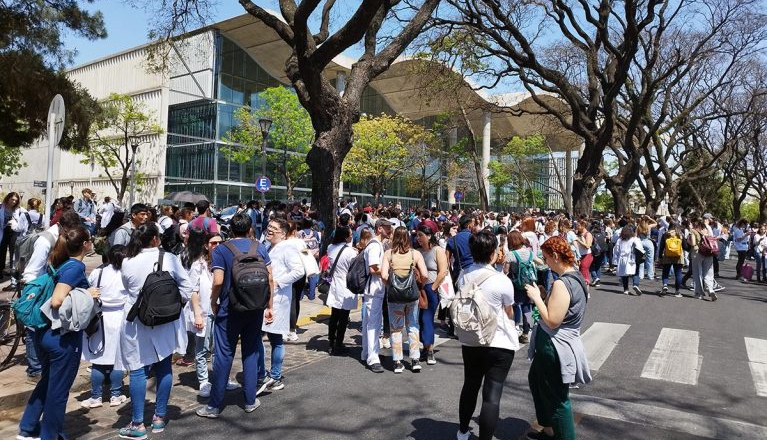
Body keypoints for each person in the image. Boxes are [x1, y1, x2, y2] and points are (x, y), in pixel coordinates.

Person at [18, 225, 99, 440]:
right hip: (62, 338)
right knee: (59, 391)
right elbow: (57, 300)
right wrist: (88, 294)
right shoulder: (74, 268)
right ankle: (50, 435)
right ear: (84, 244)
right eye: (90, 239)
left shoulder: (61, 264)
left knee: (48, 383)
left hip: (45, 333)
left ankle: (27, 428)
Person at [117, 223, 192, 439]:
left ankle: (138, 423)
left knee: (138, 370)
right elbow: (186, 287)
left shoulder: (127, 262)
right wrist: (174, 305)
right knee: (164, 366)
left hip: (137, 322)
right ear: (155, 239)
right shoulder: (170, 258)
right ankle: (159, 418)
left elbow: (127, 288)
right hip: (166, 321)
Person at [196, 213, 271, 418]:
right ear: (249, 229)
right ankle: (249, 400)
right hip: (255, 308)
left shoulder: (222, 250)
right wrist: (269, 305)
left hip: (230, 310)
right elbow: (270, 277)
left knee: (224, 354)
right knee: (250, 352)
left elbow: (218, 280)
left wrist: (213, 301)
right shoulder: (260, 247)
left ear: (230, 229)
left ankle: (214, 405)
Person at [525, 236, 592, 440]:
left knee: (557, 397)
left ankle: (561, 435)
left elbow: (553, 320)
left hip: (555, 343)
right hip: (557, 341)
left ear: (555, 256)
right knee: (537, 381)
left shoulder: (563, 283)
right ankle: (548, 428)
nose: (545, 262)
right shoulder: (577, 277)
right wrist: (546, 296)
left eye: (546, 258)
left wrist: (537, 298)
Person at [455, 229, 519, 440]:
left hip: (471, 339)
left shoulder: (463, 276)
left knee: (470, 385)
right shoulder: (502, 280)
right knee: (492, 395)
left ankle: (463, 431)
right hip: (498, 341)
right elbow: (509, 312)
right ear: (493, 252)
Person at [258, 217, 304, 391]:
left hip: (278, 299)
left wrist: (278, 282)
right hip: (267, 297)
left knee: (272, 337)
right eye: (269, 227)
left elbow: (299, 271)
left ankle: (272, 375)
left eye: (274, 228)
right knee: (270, 337)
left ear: (283, 234)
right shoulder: (268, 246)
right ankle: (268, 375)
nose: (269, 230)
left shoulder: (287, 248)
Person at [81, 245, 129, 409]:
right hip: (121, 318)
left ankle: (96, 396)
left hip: (101, 318)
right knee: (118, 360)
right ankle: (115, 395)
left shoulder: (98, 272)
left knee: (98, 360)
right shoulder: (126, 273)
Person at [186, 230, 231, 397]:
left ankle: (222, 378)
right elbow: (193, 290)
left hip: (222, 310)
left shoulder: (226, 261)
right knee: (203, 348)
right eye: (213, 243)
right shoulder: (198, 265)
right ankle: (204, 380)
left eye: (220, 243)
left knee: (221, 348)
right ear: (206, 245)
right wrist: (197, 313)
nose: (217, 246)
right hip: (205, 311)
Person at [381, 226, 428, 374]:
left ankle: (397, 362)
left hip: (394, 297)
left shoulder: (389, 254)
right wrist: (420, 284)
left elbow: (383, 275)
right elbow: (425, 274)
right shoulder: (415, 254)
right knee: (413, 326)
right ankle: (414, 360)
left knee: (396, 328)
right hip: (411, 296)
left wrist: (391, 285)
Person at [360, 218, 394, 373]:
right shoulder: (375, 246)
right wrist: (390, 271)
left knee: (370, 323)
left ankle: (366, 353)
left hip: (374, 290)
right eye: (387, 228)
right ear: (379, 228)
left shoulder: (376, 244)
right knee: (373, 324)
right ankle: (373, 357)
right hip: (373, 290)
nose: (390, 230)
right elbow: (374, 269)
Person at [415, 224, 448, 365]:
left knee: (427, 318)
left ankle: (429, 349)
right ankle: (425, 347)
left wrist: (434, 287)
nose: (418, 239)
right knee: (420, 319)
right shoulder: (417, 251)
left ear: (429, 236)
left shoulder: (437, 250)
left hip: (431, 288)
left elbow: (443, 271)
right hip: (419, 288)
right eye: (417, 236)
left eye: (421, 236)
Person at [324, 227, 358, 355]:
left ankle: (331, 342)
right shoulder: (350, 252)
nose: (352, 236)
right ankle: (339, 343)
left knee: (334, 316)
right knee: (343, 317)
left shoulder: (330, 247)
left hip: (335, 284)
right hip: (346, 285)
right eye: (350, 234)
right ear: (345, 237)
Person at [505, 230, 541, 344]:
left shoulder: (511, 254)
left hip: (515, 284)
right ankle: (527, 331)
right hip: (528, 283)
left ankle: (515, 327)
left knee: (515, 305)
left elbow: (505, 271)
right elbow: (539, 262)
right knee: (527, 307)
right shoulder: (529, 252)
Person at [689, 219, 717, 301]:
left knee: (698, 273)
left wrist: (689, 241)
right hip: (709, 252)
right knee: (708, 272)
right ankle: (710, 289)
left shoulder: (693, 231)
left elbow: (693, 243)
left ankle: (699, 293)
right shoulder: (707, 229)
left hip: (698, 252)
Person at [613, 225, 645, 296]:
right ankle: (635, 284)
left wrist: (615, 261)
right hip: (632, 258)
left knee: (625, 274)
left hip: (622, 259)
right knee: (635, 272)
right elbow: (640, 248)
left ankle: (626, 289)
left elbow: (616, 250)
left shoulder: (620, 240)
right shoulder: (634, 239)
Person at [658, 223, 685, 297]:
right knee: (678, 273)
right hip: (678, 256)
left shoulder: (666, 234)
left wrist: (660, 256)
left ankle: (665, 285)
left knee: (666, 272)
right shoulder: (680, 235)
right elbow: (685, 247)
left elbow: (661, 247)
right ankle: (677, 291)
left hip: (667, 255)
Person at [0, 191, 21, 279]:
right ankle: (0, 270)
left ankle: (12, 271)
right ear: (8, 198)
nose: (14, 202)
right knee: (1, 251)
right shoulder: (1, 207)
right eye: (12, 199)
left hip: (13, 233)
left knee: (13, 251)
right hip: (3, 231)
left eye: (16, 200)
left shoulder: (18, 209)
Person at [637, 216, 657, 280]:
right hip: (648, 242)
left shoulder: (638, 227)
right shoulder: (648, 226)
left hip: (640, 242)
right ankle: (650, 275)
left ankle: (640, 275)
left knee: (641, 260)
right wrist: (650, 218)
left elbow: (636, 235)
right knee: (650, 260)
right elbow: (656, 223)